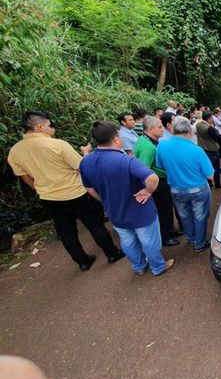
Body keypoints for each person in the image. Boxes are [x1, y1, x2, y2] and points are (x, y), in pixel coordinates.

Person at [7, 111, 123, 271]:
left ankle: (83, 262)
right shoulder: (58, 145)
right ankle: (112, 254)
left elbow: (25, 178)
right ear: (40, 127)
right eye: (50, 125)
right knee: (95, 224)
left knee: (66, 231)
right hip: (76, 192)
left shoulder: (15, 151)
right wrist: (86, 155)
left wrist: (42, 190)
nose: (52, 129)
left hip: (49, 198)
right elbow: (81, 168)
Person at [79, 121, 174, 276]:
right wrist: (147, 192)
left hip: (115, 212)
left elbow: (89, 189)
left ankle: (138, 267)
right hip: (140, 210)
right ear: (116, 139)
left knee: (128, 242)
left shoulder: (86, 162)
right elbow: (152, 178)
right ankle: (157, 267)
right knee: (149, 241)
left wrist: (105, 200)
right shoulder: (126, 160)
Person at [156, 116, 214, 251]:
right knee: (200, 216)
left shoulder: (162, 146)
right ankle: (199, 243)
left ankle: (191, 239)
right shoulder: (196, 150)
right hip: (198, 188)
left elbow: (160, 166)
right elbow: (210, 175)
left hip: (176, 189)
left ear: (172, 129)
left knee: (185, 216)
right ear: (189, 130)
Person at [133, 116, 180, 247]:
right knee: (163, 210)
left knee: (167, 207)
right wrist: (149, 188)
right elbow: (143, 170)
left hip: (161, 180)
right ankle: (165, 237)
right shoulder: (148, 148)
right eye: (160, 127)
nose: (163, 129)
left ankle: (170, 230)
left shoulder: (145, 140)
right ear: (150, 129)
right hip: (157, 184)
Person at [196, 110, 221, 189]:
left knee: (205, 167)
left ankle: (209, 183)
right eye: (212, 118)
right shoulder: (209, 128)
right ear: (208, 118)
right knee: (216, 168)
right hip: (212, 150)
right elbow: (219, 138)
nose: (213, 119)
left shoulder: (198, 125)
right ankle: (217, 184)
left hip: (203, 149)